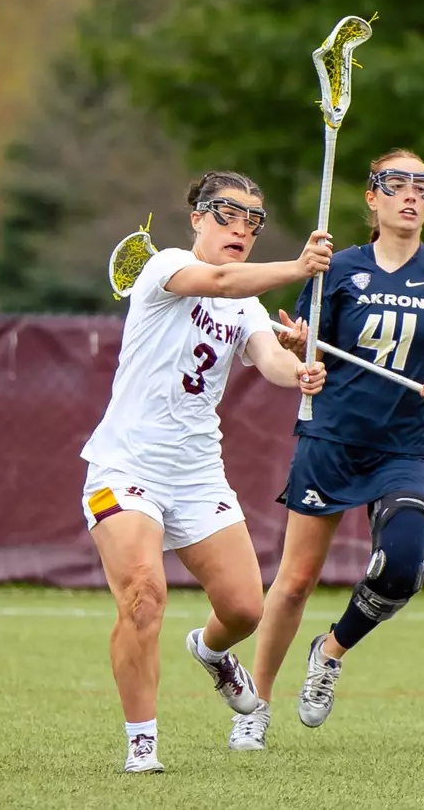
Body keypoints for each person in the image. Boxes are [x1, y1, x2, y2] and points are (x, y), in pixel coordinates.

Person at [229, 149, 424, 751]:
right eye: (396, 184)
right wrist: (304, 348)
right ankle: (257, 704)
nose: (411, 195)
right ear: (371, 198)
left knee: (403, 566)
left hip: (402, 447)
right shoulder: (336, 268)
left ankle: (330, 651)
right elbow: (310, 356)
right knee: (295, 581)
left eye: (423, 186)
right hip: (330, 440)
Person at [80, 170, 334, 774]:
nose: (240, 229)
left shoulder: (245, 307)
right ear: (197, 218)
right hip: (126, 464)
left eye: (253, 221)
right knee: (144, 595)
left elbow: (269, 358)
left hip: (197, 476)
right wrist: (298, 268)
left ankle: (212, 653)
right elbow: (217, 279)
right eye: (227, 214)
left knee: (247, 609)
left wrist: (298, 367)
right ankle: (142, 743)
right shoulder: (165, 266)